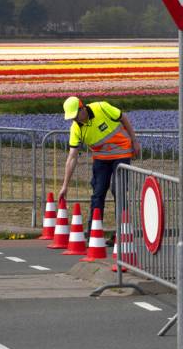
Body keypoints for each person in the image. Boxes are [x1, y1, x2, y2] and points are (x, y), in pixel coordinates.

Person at [58, 96, 140, 242]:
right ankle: (94, 234)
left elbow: (123, 118)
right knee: (98, 193)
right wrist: (65, 186)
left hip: (121, 153)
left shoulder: (101, 107)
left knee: (118, 190)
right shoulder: (76, 128)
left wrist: (134, 141)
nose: (75, 120)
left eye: (76, 115)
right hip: (101, 159)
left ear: (82, 109)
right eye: (72, 118)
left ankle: (121, 234)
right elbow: (72, 157)